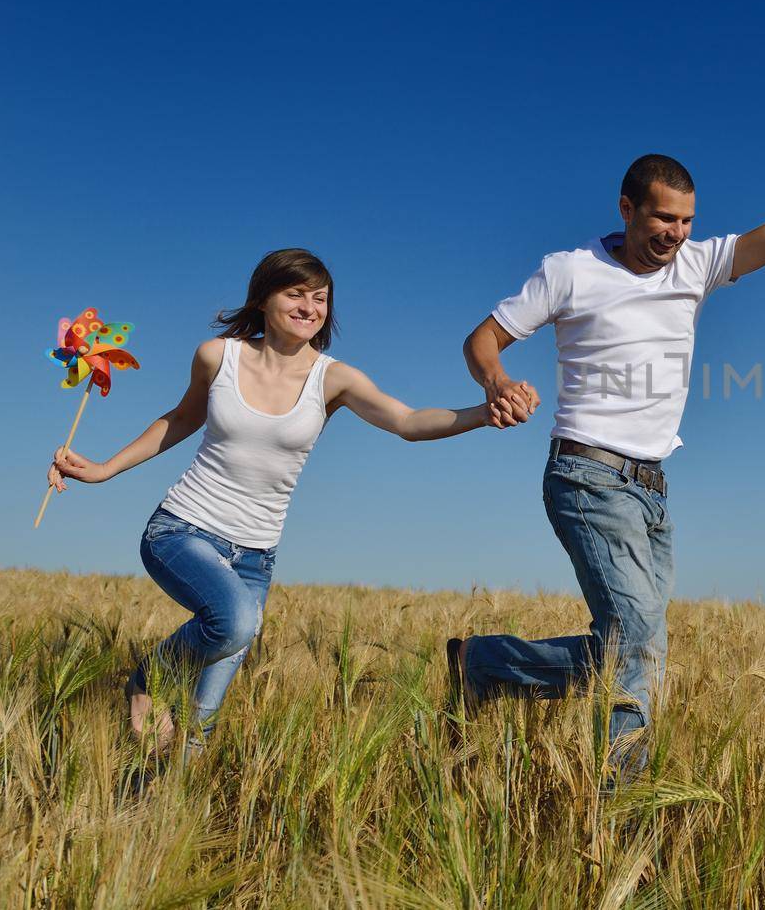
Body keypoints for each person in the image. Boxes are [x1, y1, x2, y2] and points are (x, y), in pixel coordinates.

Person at [447, 117, 765, 776]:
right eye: (662, 219)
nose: (675, 234)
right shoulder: (569, 272)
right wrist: (498, 381)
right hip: (585, 474)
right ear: (626, 209)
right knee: (637, 640)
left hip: (653, 491)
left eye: (685, 221)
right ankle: (621, 813)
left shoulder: (699, 264)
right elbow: (484, 339)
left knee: (635, 648)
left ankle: (481, 666)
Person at [47, 247, 536, 753]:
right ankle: (147, 681)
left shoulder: (334, 378)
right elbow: (181, 419)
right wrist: (105, 469)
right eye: (295, 294)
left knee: (198, 726)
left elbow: (408, 423)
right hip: (183, 529)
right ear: (263, 299)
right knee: (234, 623)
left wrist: (483, 412)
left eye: (320, 298)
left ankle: (149, 808)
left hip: (255, 558)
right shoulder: (219, 356)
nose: (309, 307)